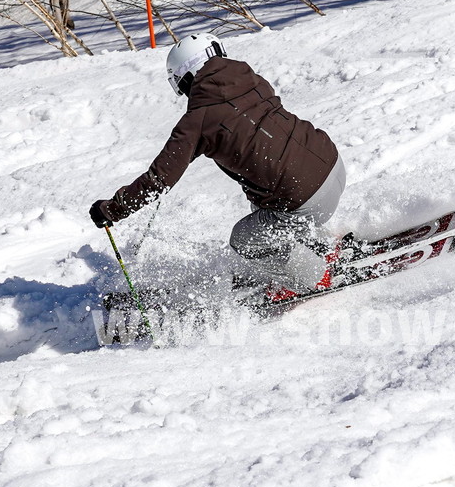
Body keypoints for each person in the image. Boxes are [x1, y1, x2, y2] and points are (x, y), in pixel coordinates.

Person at [89, 33, 346, 294]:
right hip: (333, 166)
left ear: (185, 79)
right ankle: (323, 246)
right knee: (264, 201)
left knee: (245, 239)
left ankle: (311, 277)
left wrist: (112, 209)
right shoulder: (253, 81)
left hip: (306, 202)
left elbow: (158, 180)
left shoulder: (198, 120)